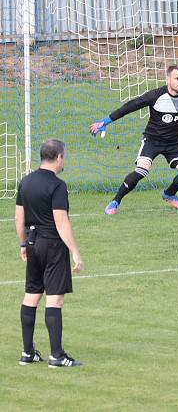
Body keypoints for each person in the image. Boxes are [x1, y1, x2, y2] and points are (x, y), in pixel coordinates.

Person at [89, 64, 178, 214]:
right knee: (141, 171)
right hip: (152, 141)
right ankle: (115, 201)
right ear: (168, 79)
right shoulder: (155, 96)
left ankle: (169, 194)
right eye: (177, 78)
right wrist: (106, 121)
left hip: (174, 143)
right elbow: (129, 107)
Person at [16, 139, 84, 368]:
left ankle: (27, 353)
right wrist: (75, 252)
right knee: (55, 298)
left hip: (33, 244)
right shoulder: (58, 185)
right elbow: (61, 221)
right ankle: (57, 355)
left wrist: (23, 244)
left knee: (32, 295)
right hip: (53, 245)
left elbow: (19, 218)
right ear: (59, 157)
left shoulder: (25, 182)